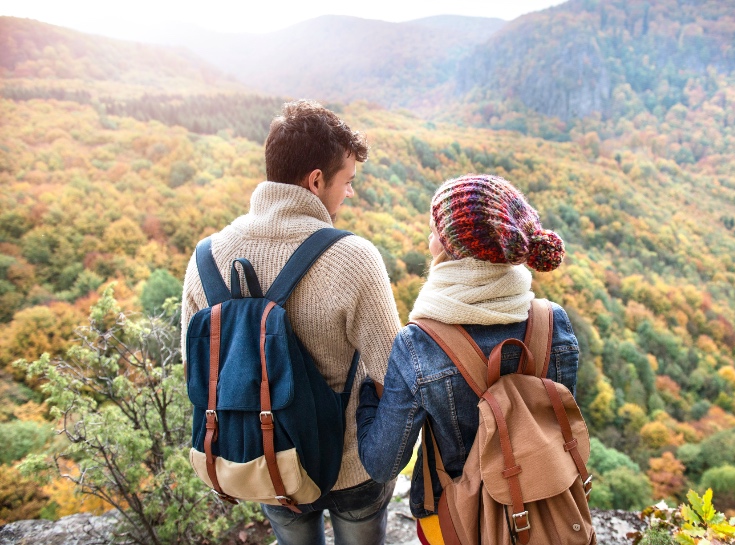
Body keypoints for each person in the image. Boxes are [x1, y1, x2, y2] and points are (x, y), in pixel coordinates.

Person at [181, 100, 401, 545]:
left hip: (268, 456)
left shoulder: (206, 258)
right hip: (350, 465)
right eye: (348, 181)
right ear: (316, 181)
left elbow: (195, 366)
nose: (350, 193)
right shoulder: (353, 257)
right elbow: (392, 375)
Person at [356, 174, 580, 545]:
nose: (428, 241)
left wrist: (366, 395)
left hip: (456, 522)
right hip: (548, 512)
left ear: (449, 249)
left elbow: (383, 465)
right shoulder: (552, 322)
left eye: (433, 232)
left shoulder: (419, 344)